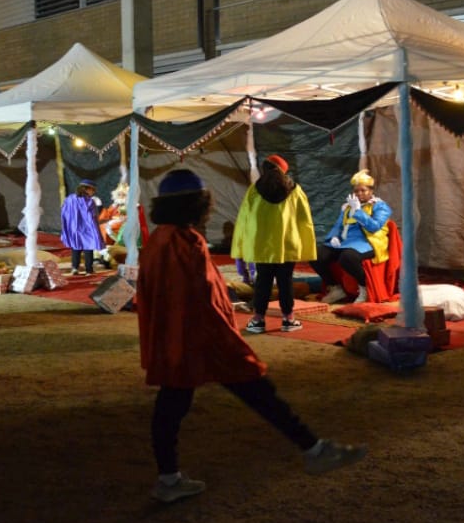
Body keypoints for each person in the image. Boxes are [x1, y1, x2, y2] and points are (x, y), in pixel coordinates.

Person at [135, 169, 367, 503]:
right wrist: (226, 339)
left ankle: (169, 479)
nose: (209, 209)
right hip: (201, 339)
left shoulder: (161, 239)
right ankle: (314, 449)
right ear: (193, 204)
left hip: (181, 340)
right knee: (257, 391)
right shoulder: (184, 242)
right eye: (205, 203)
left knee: (174, 405)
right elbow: (196, 299)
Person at [231, 155, 317, 334]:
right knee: (286, 282)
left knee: (263, 281)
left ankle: (258, 320)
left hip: (262, 245)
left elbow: (244, 219)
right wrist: (305, 243)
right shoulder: (295, 189)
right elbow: (304, 219)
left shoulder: (254, 190)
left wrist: (242, 245)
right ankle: (288, 319)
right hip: (287, 244)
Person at [310, 169, 392, 304]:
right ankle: (336, 288)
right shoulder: (348, 207)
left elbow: (374, 227)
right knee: (315, 255)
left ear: (371, 191)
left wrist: (358, 211)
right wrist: (334, 238)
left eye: (363, 190)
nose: (359, 194)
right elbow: (338, 226)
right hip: (346, 241)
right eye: (356, 191)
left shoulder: (380, 206)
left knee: (347, 257)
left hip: (368, 243)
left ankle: (364, 288)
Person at [59, 179, 103, 276]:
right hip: (87, 228)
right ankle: (89, 270)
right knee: (88, 247)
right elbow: (93, 216)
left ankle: (75, 268)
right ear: (87, 189)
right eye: (93, 190)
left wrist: (68, 225)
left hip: (74, 228)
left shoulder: (69, 199)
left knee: (76, 247)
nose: (93, 192)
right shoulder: (89, 201)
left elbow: (64, 212)